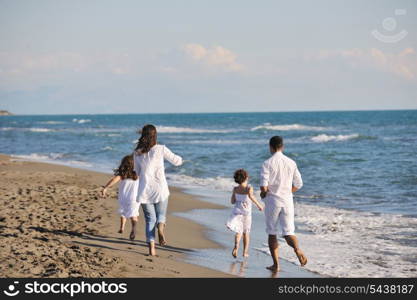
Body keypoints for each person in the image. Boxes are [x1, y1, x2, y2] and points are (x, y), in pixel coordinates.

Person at [260, 136, 308, 272]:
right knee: (288, 232)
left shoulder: (267, 163)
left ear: (271, 147)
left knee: (272, 233)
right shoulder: (291, 162)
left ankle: (276, 265)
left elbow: (263, 186)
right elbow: (299, 183)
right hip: (287, 201)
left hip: (273, 202)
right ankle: (297, 250)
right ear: (282, 146)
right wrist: (288, 192)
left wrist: (263, 194)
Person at [133, 124, 183, 256]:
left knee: (150, 220)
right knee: (161, 216)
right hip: (160, 189)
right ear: (155, 135)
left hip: (144, 191)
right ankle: (160, 227)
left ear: (142, 135)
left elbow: (136, 173)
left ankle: (152, 250)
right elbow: (177, 161)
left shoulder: (137, 153)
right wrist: (181, 159)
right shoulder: (161, 149)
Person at [100, 154, 139, 240]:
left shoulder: (122, 174)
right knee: (133, 214)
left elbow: (113, 180)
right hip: (135, 198)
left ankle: (122, 227)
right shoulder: (137, 174)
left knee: (123, 213)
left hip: (123, 198)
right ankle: (134, 229)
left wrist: (105, 188)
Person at [226, 169, 263, 258]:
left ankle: (236, 247)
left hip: (237, 212)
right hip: (246, 213)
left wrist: (235, 196)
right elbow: (251, 196)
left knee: (239, 231)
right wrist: (259, 205)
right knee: (246, 233)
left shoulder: (235, 189)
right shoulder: (249, 188)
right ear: (246, 178)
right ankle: (245, 252)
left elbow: (232, 201)